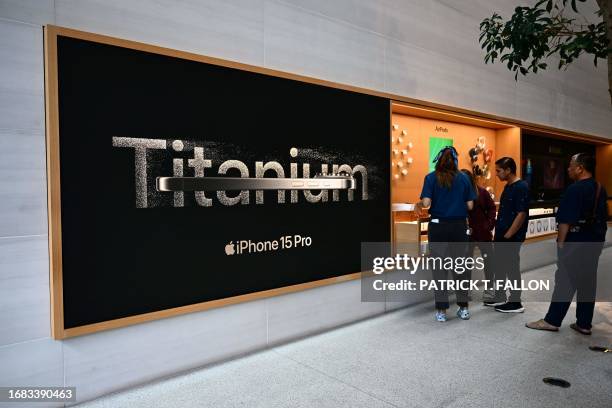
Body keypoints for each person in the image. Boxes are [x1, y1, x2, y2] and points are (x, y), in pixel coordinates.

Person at [526, 153, 608, 334]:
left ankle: (552, 320)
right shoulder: (600, 188)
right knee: (587, 282)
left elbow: (565, 221)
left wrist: (561, 243)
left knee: (565, 280)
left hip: (575, 242)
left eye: (571, 165)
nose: (568, 169)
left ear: (580, 168)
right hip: (594, 242)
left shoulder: (574, 190)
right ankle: (584, 323)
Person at [415, 146, 477, 322]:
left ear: (438, 160)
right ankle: (463, 309)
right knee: (460, 268)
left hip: (438, 227)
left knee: (439, 269)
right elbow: (471, 206)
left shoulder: (431, 177)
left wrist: (418, 204)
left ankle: (441, 311)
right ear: (456, 160)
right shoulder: (464, 178)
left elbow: (426, 203)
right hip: (459, 227)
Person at [486, 157, 530, 313]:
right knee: (500, 267)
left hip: (510, 238)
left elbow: (521, 214)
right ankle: (499, 296)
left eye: (499, 170)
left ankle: (515, 302)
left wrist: (508, 235)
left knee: (511, 268)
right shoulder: (508, 187)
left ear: (508, 170)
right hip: (501, 235)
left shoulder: (521, 187)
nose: (496, 174)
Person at [461, 169, 496, 303]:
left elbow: (492, 208)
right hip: (467, 234)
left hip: (483, 233)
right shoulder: (459, 194)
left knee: (488, 261)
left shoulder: (482, 192)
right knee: (465, 262)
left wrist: (489, 225)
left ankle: (489, 288)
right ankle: (466, 289)